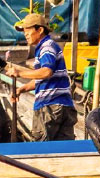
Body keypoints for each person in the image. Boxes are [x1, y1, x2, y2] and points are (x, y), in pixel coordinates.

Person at [5, 13, 76, 141]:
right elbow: (42, 77)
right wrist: (22, 89)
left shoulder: (46, 47)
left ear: (40, 30)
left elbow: (46, 72)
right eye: (24, 31)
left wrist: (19, 73)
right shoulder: (49, 46)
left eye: (28, 30)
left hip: (49, 106)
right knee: (64, 150)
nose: (25, 34)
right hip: (64, 106)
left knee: (41, 147)